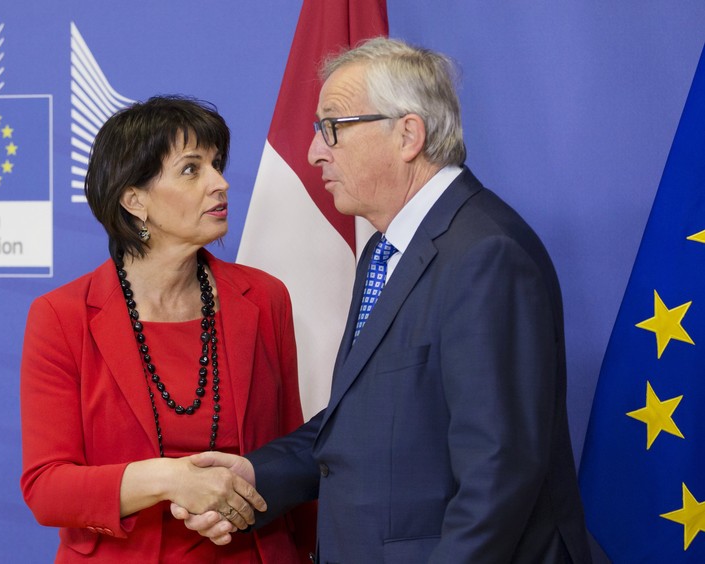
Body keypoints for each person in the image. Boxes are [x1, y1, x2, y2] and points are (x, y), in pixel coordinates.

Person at [173, 38, 593, 563]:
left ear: (408, 134)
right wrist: (257, 474)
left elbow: (498, 474)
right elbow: (368, 417)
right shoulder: (384, 248)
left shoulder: (486, 255)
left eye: (333, 127)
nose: (314, 152)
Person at [20, 95, 315, 562]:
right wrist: (169, 479)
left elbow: (296, 455)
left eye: (216, 165)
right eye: (191, 169)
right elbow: (47, 487)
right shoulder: (62, 315)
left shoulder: (264, 298)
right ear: (135, 200)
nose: (220, 184)